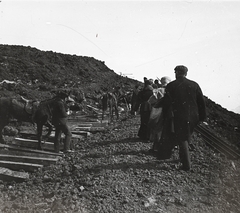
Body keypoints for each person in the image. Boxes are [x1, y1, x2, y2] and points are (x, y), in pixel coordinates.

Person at [156, 65, 206, 171]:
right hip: (193, 117)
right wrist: (202, 118)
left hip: (178, 116)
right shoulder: (194, 85)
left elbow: (167, 102)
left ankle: (186, 165)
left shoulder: (171, 85)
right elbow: (201, 102)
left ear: (176, 73)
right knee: (186, 135)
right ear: (186, 73)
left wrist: (165, 115)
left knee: (182, 138)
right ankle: (182, 157)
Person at [148, 76, 171, 153]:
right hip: (169, 112)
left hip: (158, 111)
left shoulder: (158, 90)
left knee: (158, 129)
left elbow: (150, 101)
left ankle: (156, 148)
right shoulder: (171, 90)